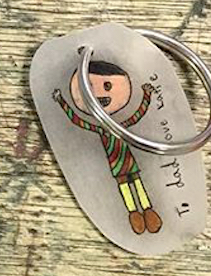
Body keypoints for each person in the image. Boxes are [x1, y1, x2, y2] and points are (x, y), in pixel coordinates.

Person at [53, 61, 162, 235]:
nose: (100, 94)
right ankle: (133, 212)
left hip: (127, 160)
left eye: (108, 86)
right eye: (90, 87)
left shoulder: (119, 126)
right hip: (115, 163)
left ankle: (148, 210)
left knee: (137, 183)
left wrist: (147, 95)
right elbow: (77, 120)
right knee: (125, 186)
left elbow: (138, 114)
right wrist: (61, 102)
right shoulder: (102, 129)